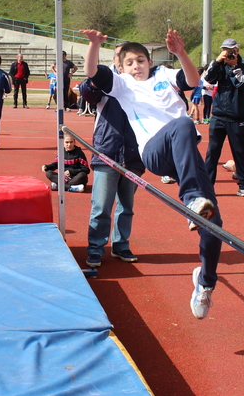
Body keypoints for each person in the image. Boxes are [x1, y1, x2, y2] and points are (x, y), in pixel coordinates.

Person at [83, 28, 222, 320]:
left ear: (150, 62)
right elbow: (93, 72)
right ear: (121, 67)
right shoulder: (120, 85)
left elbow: (194, 81)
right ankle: (191, 200)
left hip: (185, 153)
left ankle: (205, 282)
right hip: (155, 152)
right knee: (183, 124)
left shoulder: (164, 75)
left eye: (141, 61)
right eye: (130, 62)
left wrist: (181, 53)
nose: (137, 66)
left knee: (214, 221)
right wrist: (94, 45)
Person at [79, 42, 144, 267]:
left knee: (126, 206)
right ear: (116, 60)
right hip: (107, 152)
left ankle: (120, 245)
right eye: (120, 56)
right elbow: (87, 91)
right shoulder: (106, 81)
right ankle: (96, 248)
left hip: (134, 156)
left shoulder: (141, 84)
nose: (126, 60)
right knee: (101, 207)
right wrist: (94, 79)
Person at [203, 38, 244, 199]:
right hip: (218, 115)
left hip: (237, 116)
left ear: (237, 50)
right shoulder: (219, 64)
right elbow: (209, 79)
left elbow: (242, 84)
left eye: (231, 50)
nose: (228, 53)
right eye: (225, 50)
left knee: (240, 152)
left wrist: (234, 67)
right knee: (212, 152)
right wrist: (217, 62)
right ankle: (207, 186)